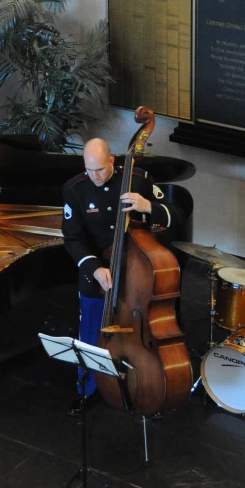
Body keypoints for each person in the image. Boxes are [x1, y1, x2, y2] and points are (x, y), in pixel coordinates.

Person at [61, 138, 180, 416]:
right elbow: (72, 238)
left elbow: (176, 214)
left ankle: (151, 382)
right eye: (90, 170)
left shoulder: (138, 180)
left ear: (112, 161)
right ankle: (88, 389)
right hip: (97, 275)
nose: (96, 176)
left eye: (100, 169)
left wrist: (147, 206)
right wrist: (93, 268)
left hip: (137, 273)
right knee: (91, 332)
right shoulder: (74, 189)